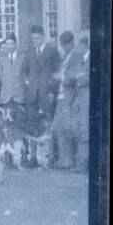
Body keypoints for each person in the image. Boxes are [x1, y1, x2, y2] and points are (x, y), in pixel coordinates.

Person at [50, 31, 83, 169]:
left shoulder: (77, 56)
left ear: (71, 43)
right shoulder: (65, 57)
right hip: (60, 98)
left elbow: (75, 77)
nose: (64, 48)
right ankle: (63, 160)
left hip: (69, 98)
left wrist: (60, 78)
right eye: (63, 45)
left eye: (66, 45)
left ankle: (70, 160)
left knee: (69, 129)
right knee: (57, 129)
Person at [22, 24, 60, 113]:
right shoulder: (29, 52)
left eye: (37, 38)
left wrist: (51, 87)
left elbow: (57, 70)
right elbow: (24, 70)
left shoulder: (52, 51)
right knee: (31, 121)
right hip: (31, 94)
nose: (35, 41)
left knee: (45, 121)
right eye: (33, 38)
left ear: (43, 36)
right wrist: (26, 81)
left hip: (46, 93)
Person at [72, 35, 90, 172]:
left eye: (79, 46)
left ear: (84, 46)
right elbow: (74, 76)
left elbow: (87, 78)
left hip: (86, 97)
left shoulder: (89, 59)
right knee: (78, 128)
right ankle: (80, 162)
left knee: (84, 129)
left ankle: (83, 164)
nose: (77, 49)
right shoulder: (80, 60)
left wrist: (80, 78)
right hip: (78, 97)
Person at [0, 33, 26, 110]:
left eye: (11, 44)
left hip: (19, 97)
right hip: (6, 98)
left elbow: (24, 76)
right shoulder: (2, 59)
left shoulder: (23, 58)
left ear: (15, 44)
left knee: (19, 120)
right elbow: (1, 77)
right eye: (7, 44)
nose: (9, 47)